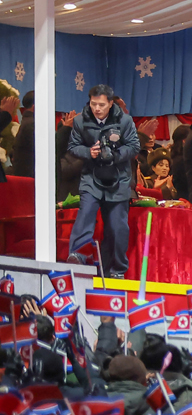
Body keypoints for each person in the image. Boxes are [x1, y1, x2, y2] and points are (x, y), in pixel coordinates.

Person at [65, 85, 139, 278]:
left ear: (111, 103)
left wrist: (115, 155)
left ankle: (116, 269)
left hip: (118, 179)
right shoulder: (80, 120)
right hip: (91, 177)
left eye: (101, 105)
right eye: (93, 104)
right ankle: (77, 256)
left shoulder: (125, 121)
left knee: (117, 226)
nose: (97, 108)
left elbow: (134, 146)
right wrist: (88, 152)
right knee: (85, 215)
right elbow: (73, 146)